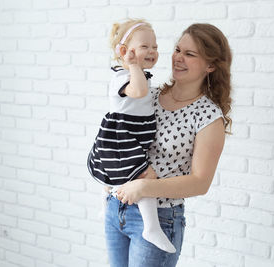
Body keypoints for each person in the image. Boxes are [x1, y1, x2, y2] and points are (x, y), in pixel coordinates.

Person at [105, 23, 233, 267]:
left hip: (160, 218)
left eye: (190, 54)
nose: (178, 58)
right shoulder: (148, 95)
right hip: (117, 208)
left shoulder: (208, 116)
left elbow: (200, 182)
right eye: (177, 49)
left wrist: (143, 188)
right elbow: (118, 132)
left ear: (211, 65)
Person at [87, 19, 176, 253]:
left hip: (129, 137)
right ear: (125, 52)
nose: (153, 51)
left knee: (115, 177)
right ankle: (152, 227)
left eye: (155, 47)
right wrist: (134, 67)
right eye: (145, 46)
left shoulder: (138, 75)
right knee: (144, 175)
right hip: (120, 138)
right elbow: (139, 92)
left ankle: (104, 204)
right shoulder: (123, 77)